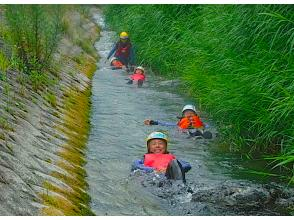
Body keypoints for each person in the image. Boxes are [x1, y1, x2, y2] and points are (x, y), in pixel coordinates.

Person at [144, 104, 212, 139]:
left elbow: (208, 126)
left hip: (197, 131)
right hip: (184, 133)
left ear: (195, 115)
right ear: (183, 115)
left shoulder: (200, 122)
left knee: (200, 131)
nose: (189, 114)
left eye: (191, 113)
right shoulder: (179, 123)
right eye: (187, 113)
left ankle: (200, 136)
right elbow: (167, 124)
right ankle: (195, 138)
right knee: (183, 134)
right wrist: (153, 122)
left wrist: (203, 126)